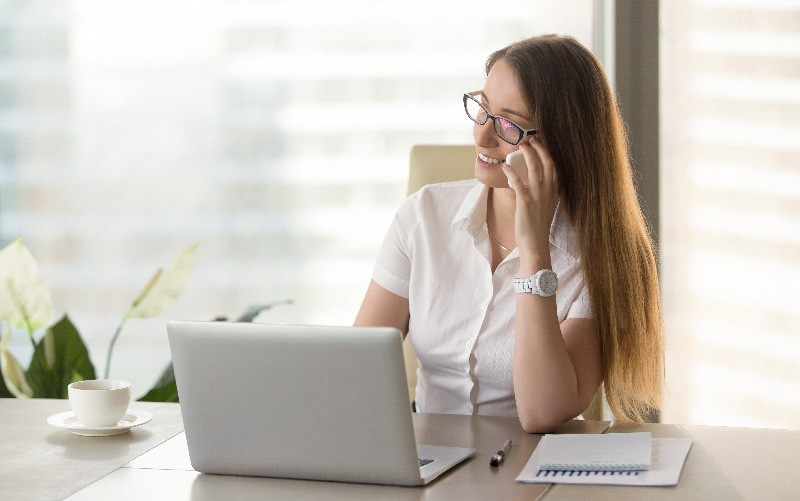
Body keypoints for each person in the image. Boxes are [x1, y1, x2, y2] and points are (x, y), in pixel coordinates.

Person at [355, 34, 663, 433]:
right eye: (482, 110)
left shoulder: (604, 255)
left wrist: (535, 247)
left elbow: (543, 411)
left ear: (566, 142)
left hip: (532, 474)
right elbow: (357, 372)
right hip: (428, 466)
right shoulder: (423, 216)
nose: (481, 136)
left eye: (507, 125)